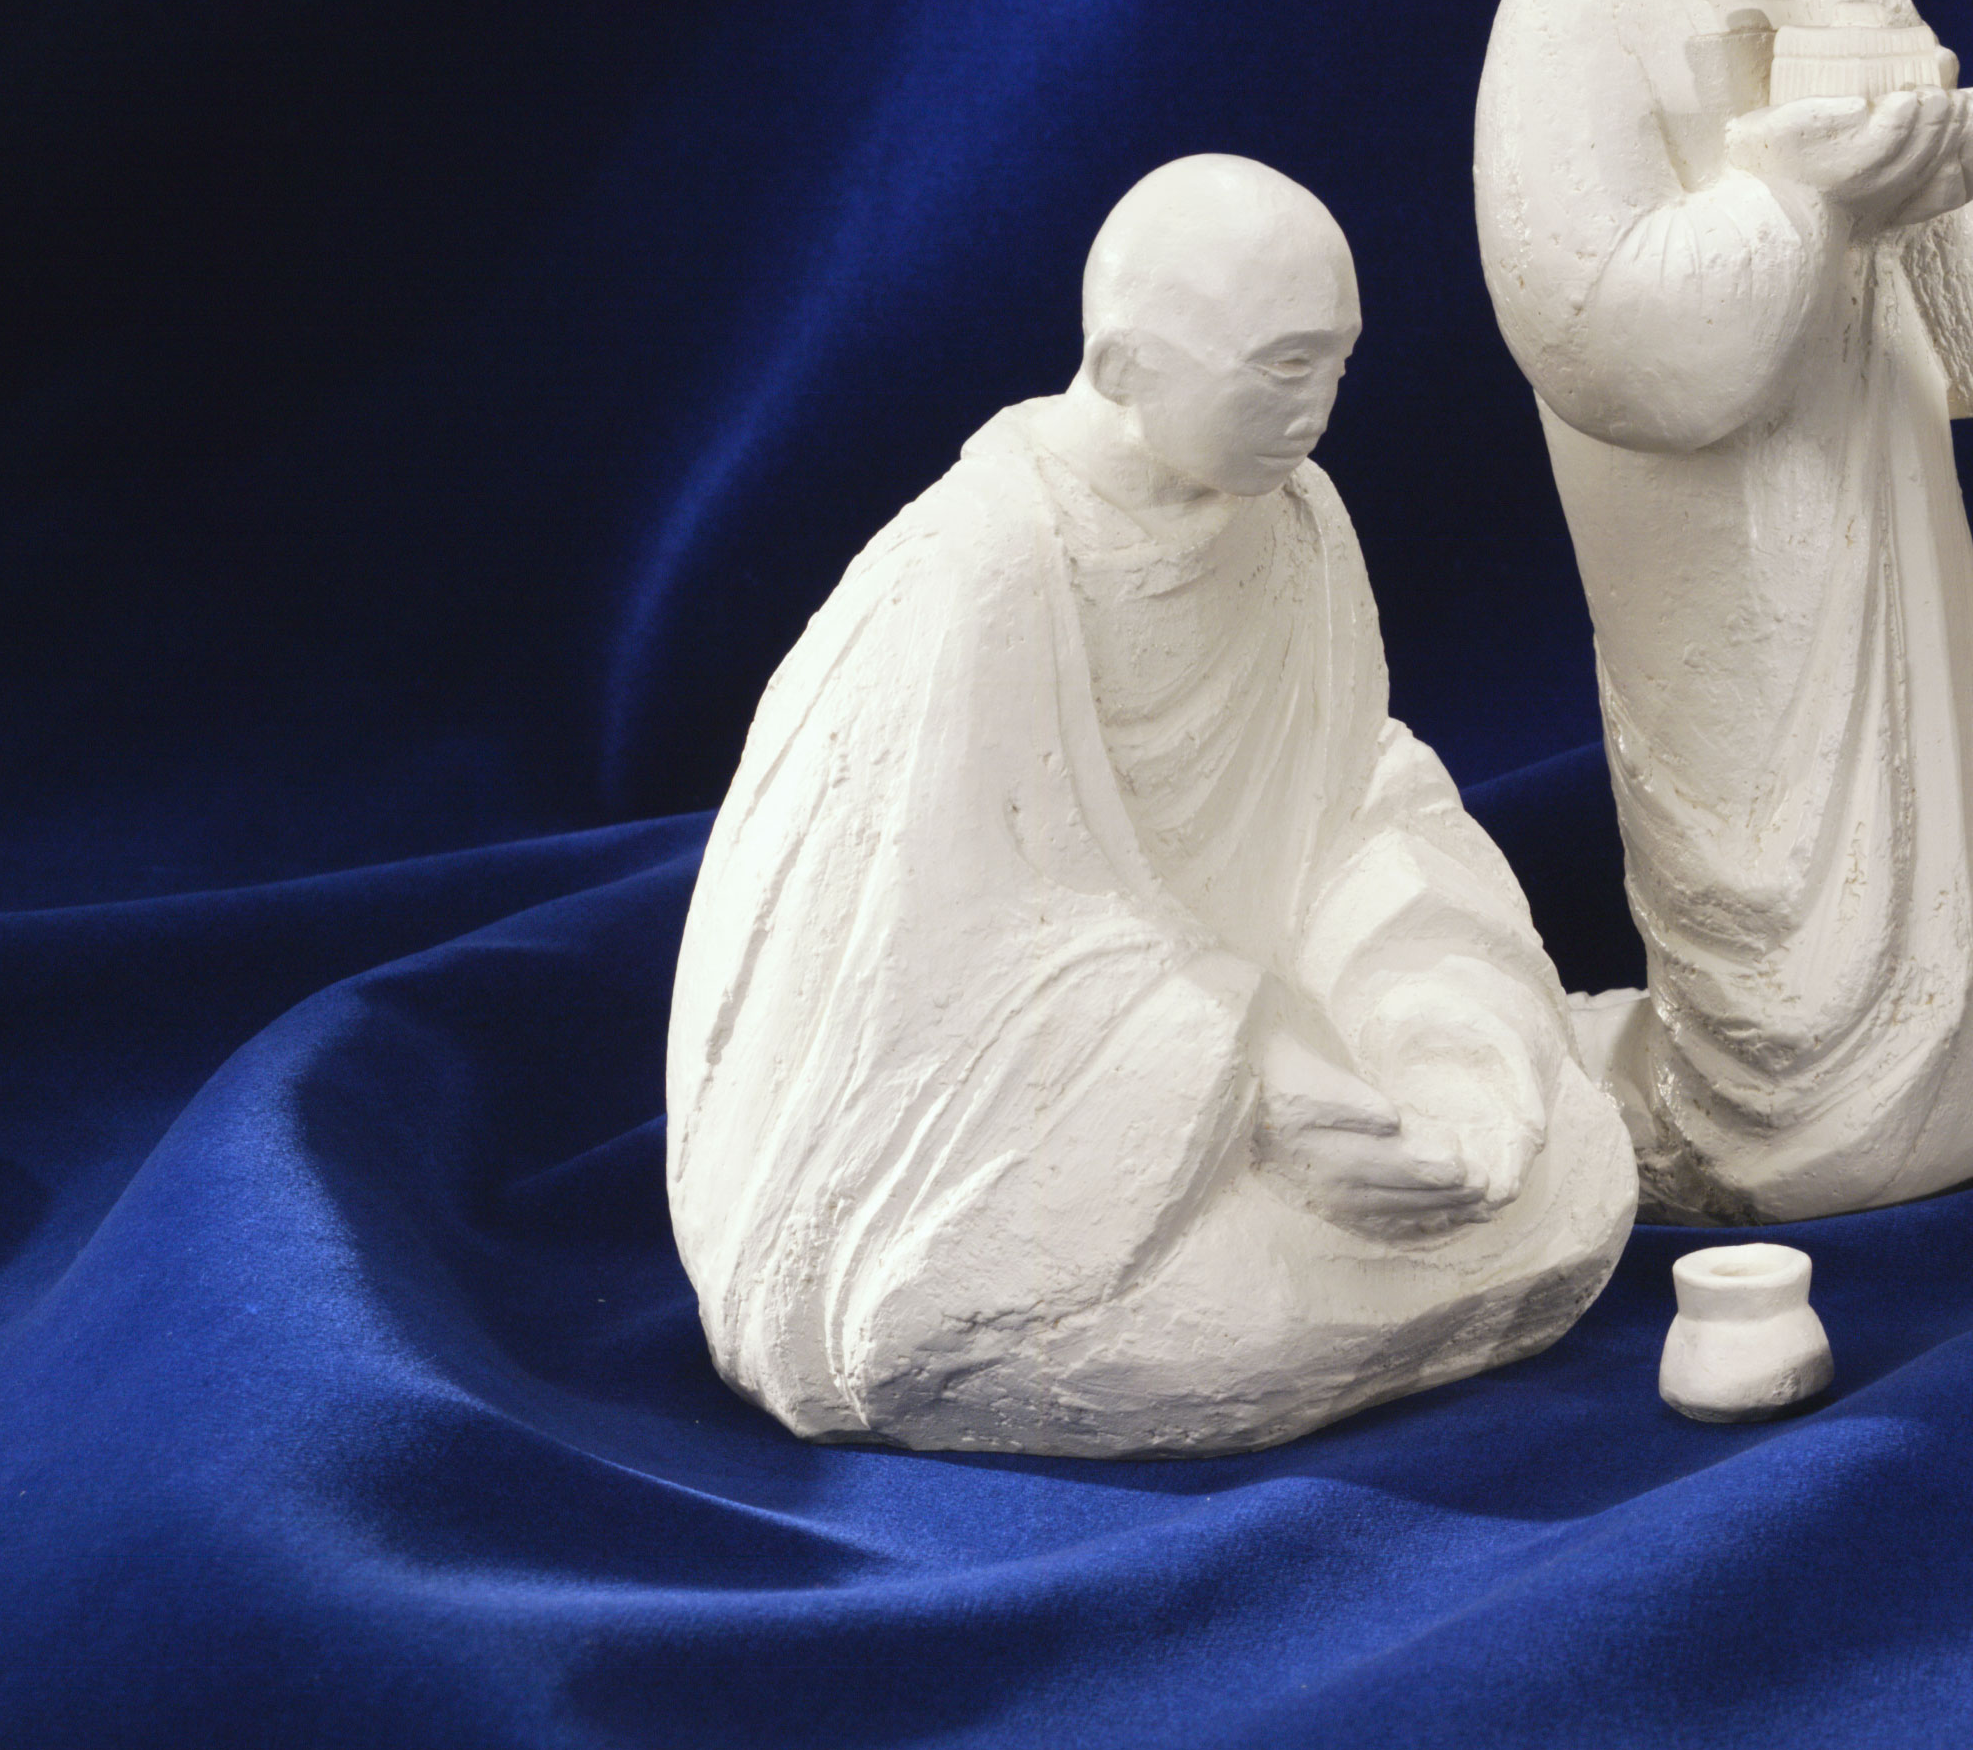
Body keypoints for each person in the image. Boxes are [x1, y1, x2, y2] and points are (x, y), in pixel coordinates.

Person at [665, 159, 1636, 1455]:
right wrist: (1245, 1076)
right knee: (1162, 1315)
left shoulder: (1298, 526)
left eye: (1335, 366)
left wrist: (1442, 1040)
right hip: (1018, 1125)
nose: (1319, 411)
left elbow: (1356, 807)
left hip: (1267, 1049)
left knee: (1565, 1168)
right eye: (1281, 369)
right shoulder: (979, 576)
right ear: (1124, 367)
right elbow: (929, 955)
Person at [1476, 0, 1973, 1221]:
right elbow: (1589, 329)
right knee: (1795, 1068)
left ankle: (1917, 1076)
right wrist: (1801, 200)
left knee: (1954, 1031)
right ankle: (1674, 1091)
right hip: (1728, 541)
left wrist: (1947, 179)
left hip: (1879, 512)